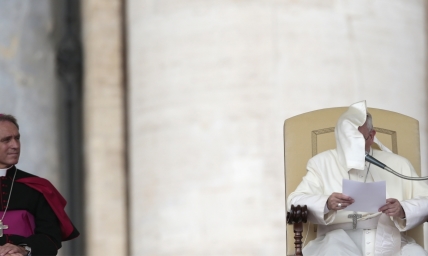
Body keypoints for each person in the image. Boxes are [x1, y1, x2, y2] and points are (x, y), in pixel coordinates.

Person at [287, 100, 428, 256]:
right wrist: (326, 203)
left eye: (359, 141)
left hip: (388, 239)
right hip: (336, 240)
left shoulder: (398, 164)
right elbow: (294, 201)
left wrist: (403, 209)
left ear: (372, 136)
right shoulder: (321, 163)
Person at [0, 114, 79, 256]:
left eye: (17, 138)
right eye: (7, 140)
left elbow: (51, 237)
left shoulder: (37, 187)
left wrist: (24, 249)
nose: (15, 145)